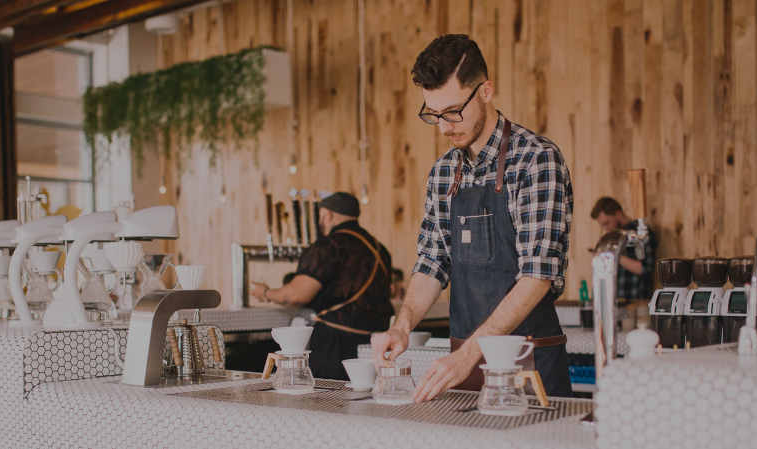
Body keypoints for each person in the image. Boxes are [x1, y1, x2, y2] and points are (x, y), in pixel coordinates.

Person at [371, 34, 574, 401]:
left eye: (452, 111)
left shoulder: (536, 160)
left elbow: (537, 277)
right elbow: (432, 262)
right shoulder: (443, 172)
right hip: (463, 370)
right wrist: (401, 326)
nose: (445, 126)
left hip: (528, 369)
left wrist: (468, 354)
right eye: (433, 115)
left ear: (485, 91)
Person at [251, 192, 394, 380]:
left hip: (334, 348)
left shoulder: (330, 245)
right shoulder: (379, 248)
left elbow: (295, 295)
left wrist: (265, 292)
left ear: (328, 216)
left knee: (328, 403)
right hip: (374, 346)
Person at [591, 197, 657, 301]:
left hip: (637, 302)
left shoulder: (640, 233)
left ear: (618, 214)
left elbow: (646, 269)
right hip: (616, 302)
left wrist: (614, 255)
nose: (606, 228)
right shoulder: (616, 236)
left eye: (607, 223)